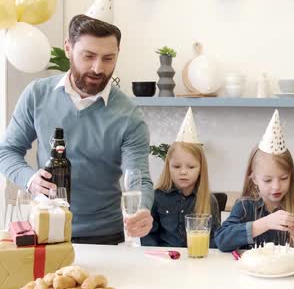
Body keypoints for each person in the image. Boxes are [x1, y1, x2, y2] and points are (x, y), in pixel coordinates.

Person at [0, 14, 153, 245]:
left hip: (105, 236)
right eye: (88, 56)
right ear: (68, 48)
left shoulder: (130, 115)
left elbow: (138, 177)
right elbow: (7, 151)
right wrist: (30, 179)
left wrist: (141, 209)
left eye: (108, 58)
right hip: (46, 230)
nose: (98, 68)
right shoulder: (36, 95)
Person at [215, 110, 294, 252]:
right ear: (254, 179)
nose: (276, 186)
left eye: (284, 178)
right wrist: (264, 223)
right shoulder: (244, 207)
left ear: (291, 176)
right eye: (267, 180)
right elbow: (222, 240)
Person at [141, 108, 220, 247]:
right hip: (165, 261)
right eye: (177, 167)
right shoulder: (157, 197)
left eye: (191, 167)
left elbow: (215, 238)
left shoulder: (208, 200)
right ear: (168, 167)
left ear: (201, 168)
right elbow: (149, 235)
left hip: (198, 260)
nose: (183, 172)